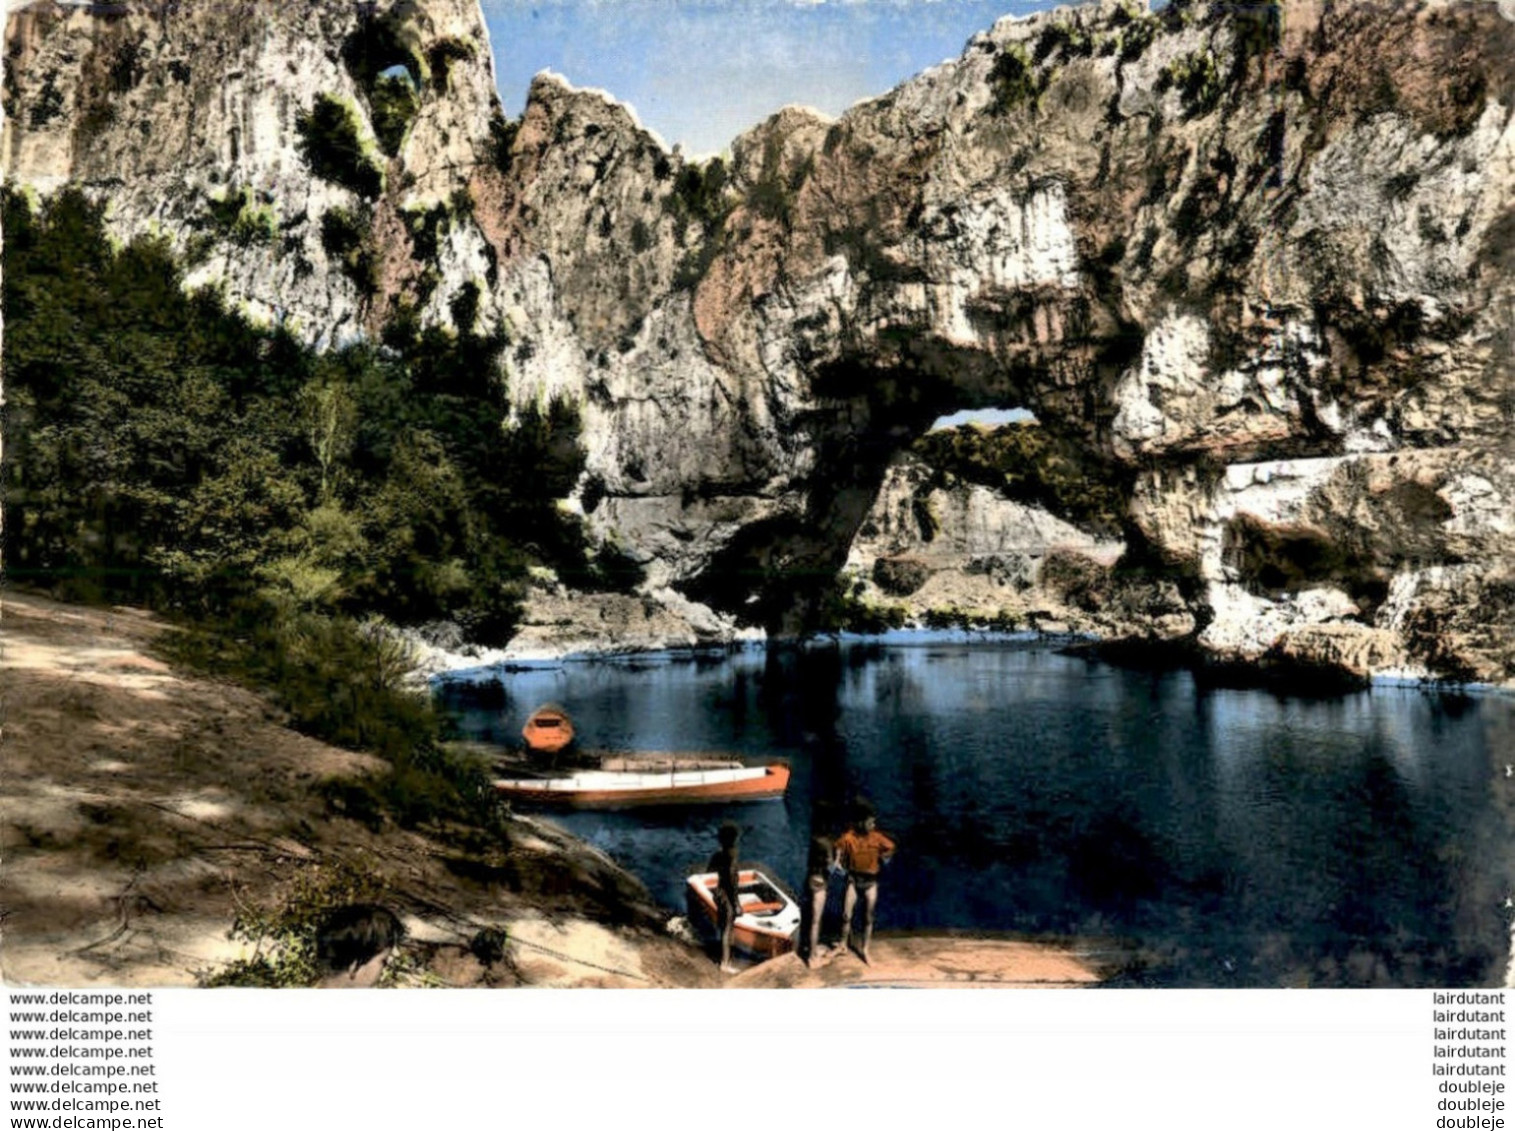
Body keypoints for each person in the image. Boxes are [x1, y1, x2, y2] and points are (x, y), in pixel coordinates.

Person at [835, 805, 895, 965]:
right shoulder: (849, 837)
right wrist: (837, 862)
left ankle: (865, 949)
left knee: (868, 917)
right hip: (854, 881)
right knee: (846, 915)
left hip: (870, 883)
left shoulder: (877, 837)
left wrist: (885, 857)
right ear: (861, 823)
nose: (873, 826)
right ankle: (842, 944)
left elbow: (890, 847)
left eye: (874, 823)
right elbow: (838, 846)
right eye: (870, 823)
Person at [707, 822, 742, 974]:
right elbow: (732, 882)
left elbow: (710, 871)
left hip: (720, 892)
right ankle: (725, 963)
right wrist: (737, 903)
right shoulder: (731, 854)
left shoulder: (718, 855)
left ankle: (725, 959)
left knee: (725, 928)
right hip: (727, 894)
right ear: (733, 839)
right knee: (728, 929)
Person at [802, 833, 835, 968]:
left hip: (811, 879)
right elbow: (831, 868)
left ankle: (813, 948)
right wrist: (837, 857)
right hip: (820, 883)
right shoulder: (826, 843)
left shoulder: (815, 840)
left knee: (815, 920)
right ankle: (812, 958)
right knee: (816, 921)